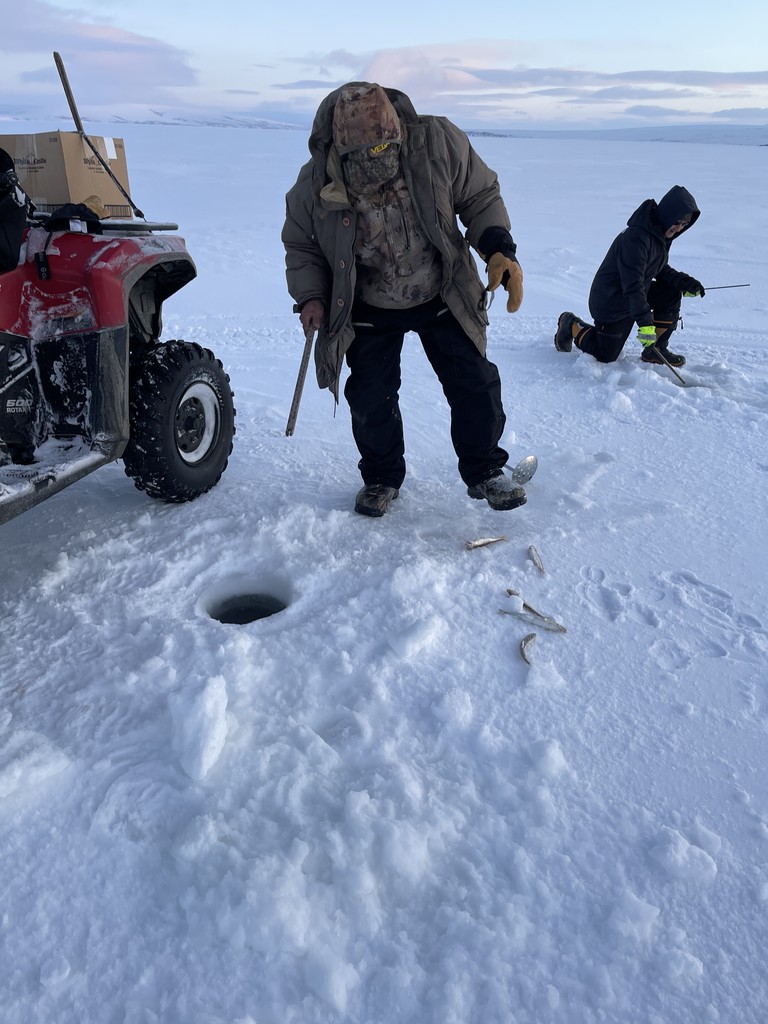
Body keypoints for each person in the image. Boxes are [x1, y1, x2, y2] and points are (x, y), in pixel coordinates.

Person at [281, 82, 525, 517]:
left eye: (384, 149)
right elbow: (302, 244)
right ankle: (381, 477)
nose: (378, 159)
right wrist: (312, 296)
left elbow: (480, 195)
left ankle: (485, 470)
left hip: (440, 289)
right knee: (370, 397)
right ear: (341, 147)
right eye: (365, 154)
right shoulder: (315, 181)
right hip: (367, 300)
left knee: (474, 383)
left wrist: (498, 248)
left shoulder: (437, 143)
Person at [554, 185, 704, 368]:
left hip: (633, 295)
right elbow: (633, 284)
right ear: (668, 214)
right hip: (611, 301)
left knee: (671, 292)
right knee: (606, 356)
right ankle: (570, 324)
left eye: (684, 225)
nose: (679, 228)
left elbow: (658, 268)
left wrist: (684, 282)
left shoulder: (661, 235)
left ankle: (656, 350)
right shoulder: (636, 238)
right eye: (678, 222)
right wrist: (645, 323)